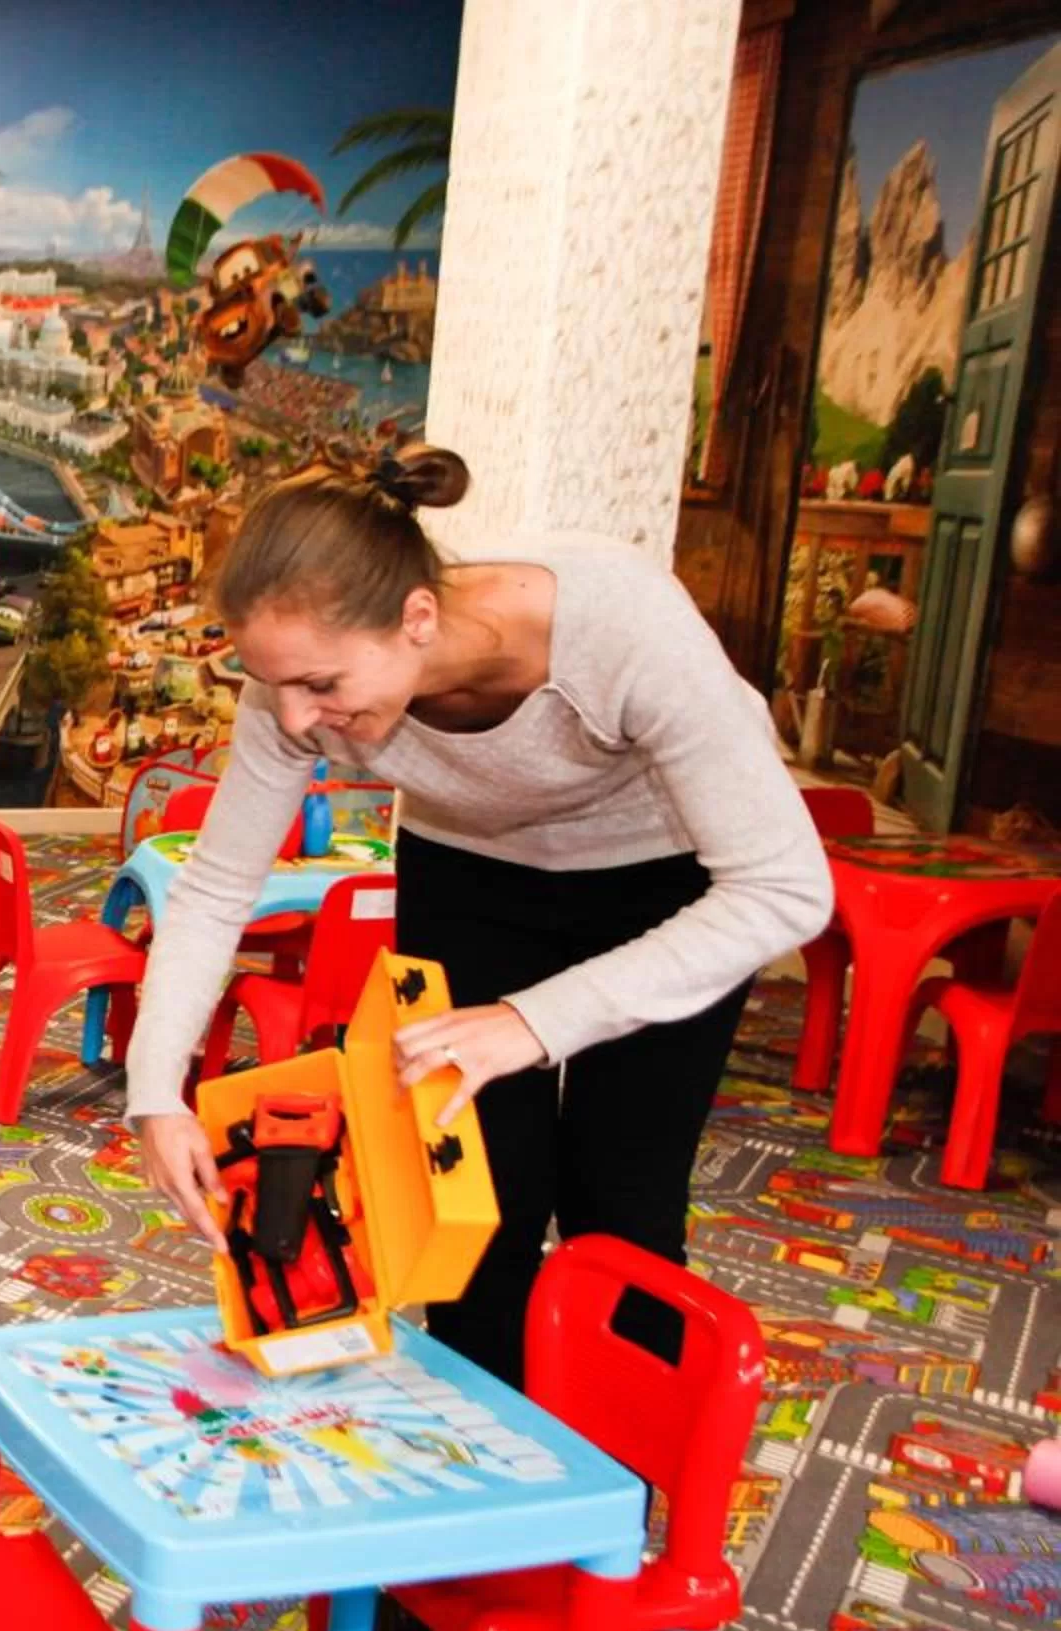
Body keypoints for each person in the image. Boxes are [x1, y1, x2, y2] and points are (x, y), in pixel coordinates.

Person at [125, 442, 832, 1390]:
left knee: (622, 1205)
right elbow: (216, 887)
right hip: (470, 876)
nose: (297, 721)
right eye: (278, 688)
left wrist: (531, 1022)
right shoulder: (296, 673)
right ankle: (484, 1474)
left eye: (323, 688)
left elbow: (786, 888)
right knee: (467, 1204)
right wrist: (155, 1094)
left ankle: (621, 1485)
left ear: (418, 618)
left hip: (664, 889)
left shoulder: (621, 625)